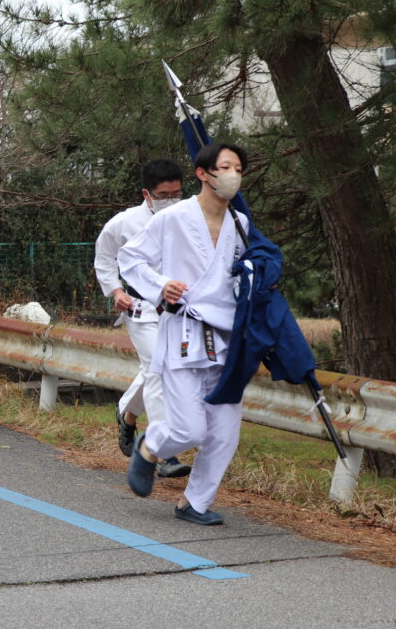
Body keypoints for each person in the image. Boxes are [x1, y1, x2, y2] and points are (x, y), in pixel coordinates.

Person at [118, 142, 249, 526]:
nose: (233, 175)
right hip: (185, 332)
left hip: (227, 339)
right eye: (225, 167)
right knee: (190, 428)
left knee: (224, 435)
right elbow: (131, 258)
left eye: (239, 168)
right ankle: (151, 445)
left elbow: (247, 276)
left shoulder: (241, 225)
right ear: (203, 173)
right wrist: (161, 285)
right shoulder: (174, 217)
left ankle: (194, 503)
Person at [94, 159, 191, 479]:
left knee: (155, 370)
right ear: (147, 194)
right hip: (141, 309)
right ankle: (165, 452)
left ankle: (127, 413)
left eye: (177, 192)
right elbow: (104, 257)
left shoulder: (189, 217)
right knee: (160, 372)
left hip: (180, 310)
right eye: (165, 194)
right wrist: (115, 290)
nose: (172, 199)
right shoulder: (124, 223)